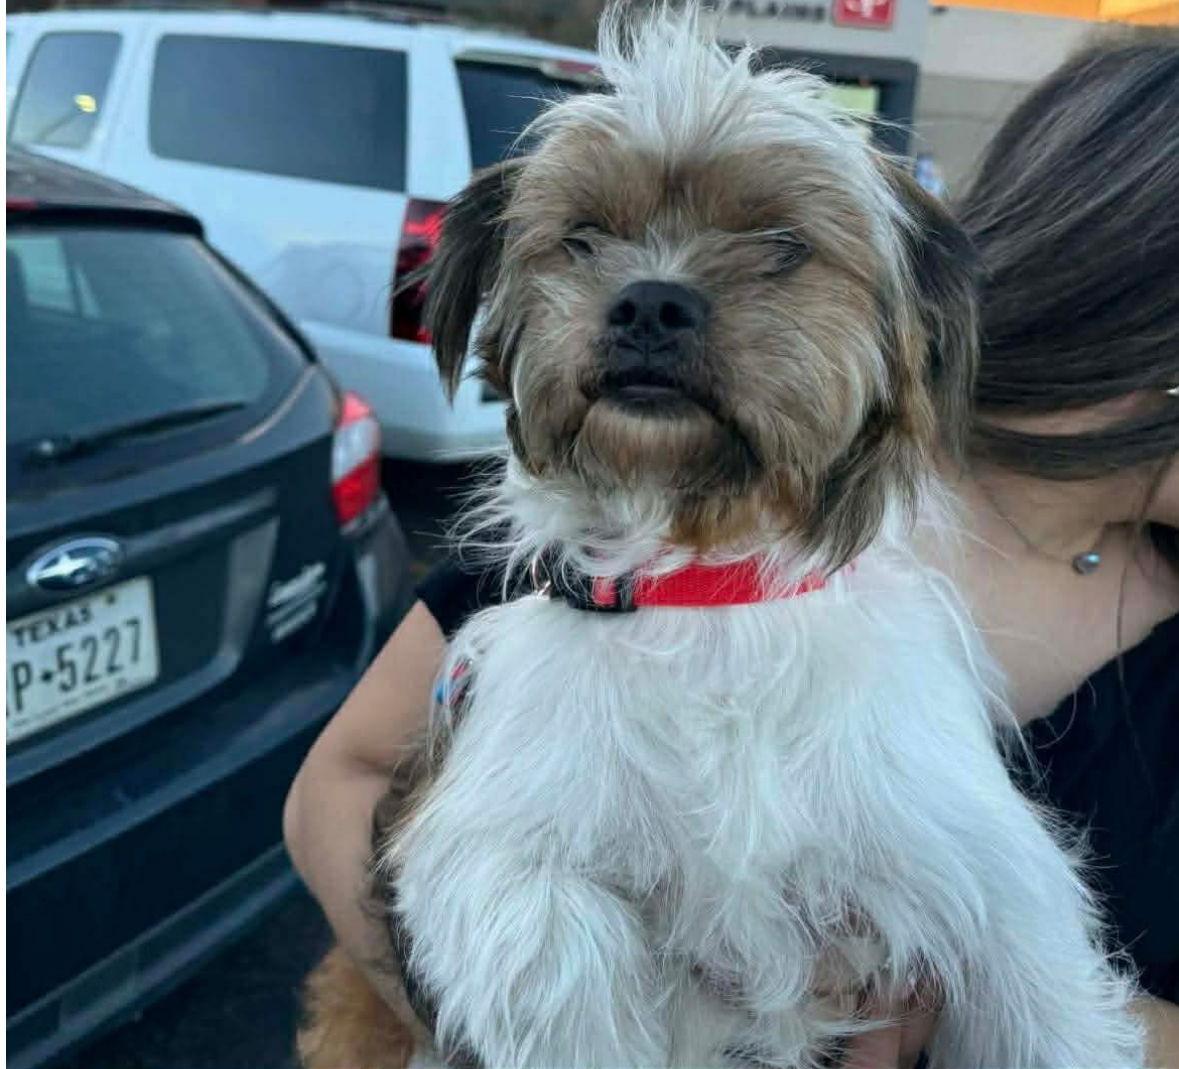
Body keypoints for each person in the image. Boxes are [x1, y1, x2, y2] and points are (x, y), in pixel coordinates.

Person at [283, 33, 1179, 1065]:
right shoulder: (589, 549)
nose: (654, 296)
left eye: (779, 251)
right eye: (582, 240)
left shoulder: (911, 652)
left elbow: (1030, 964)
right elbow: (337, 789)